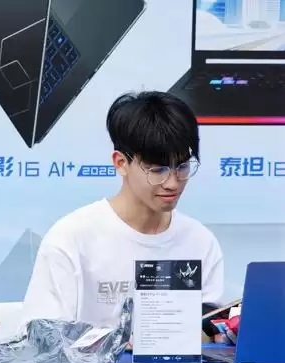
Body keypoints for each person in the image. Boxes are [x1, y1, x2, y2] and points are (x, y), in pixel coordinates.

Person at [20, 91, 224, 342]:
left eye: (182, 167)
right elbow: (42, 341)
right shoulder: (72, 238)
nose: (173, 183)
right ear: (121, 163)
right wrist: (119, 345)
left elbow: (210, 335)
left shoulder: (200, 241)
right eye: (157, 170)